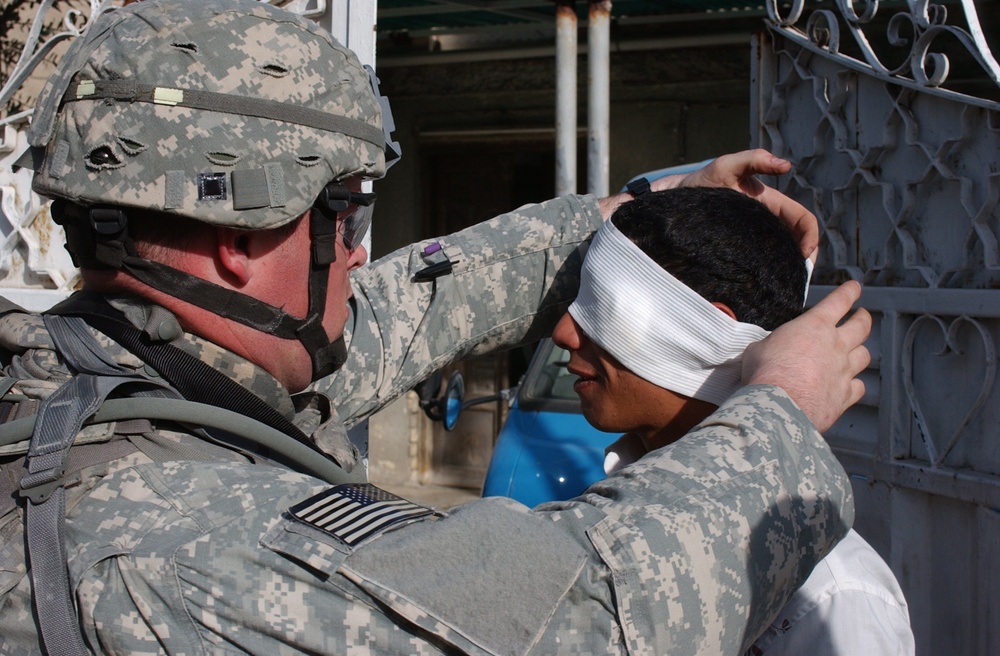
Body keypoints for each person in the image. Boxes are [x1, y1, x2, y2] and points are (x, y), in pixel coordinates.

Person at [0, 0, 870, 654]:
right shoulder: (175, 544)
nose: (358, 253)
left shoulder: (118, 377)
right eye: (343, 214)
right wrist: (781, 415)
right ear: (238, 238)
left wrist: (639, 212)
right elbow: (583, 622)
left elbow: (403, 310)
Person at [551, 186, 913, 655]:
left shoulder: (827, 597)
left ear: (709, 331)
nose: (562, 331)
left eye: (602, 306)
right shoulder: (613, 511)